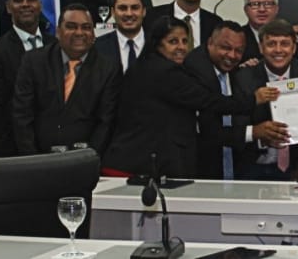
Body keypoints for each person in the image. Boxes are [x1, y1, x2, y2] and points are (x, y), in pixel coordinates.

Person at [103, 17, 255, 179]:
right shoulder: (165, 71)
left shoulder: (144, 66)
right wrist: (254, 100)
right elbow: (209, 101)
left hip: (130, 161)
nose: (181, 47)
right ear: (157, 43)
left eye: (184, 41)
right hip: (138, 166)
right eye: (173, 42)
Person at [12, 3, 120, 155]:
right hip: (38, 157)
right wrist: (33, 159)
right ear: (58, 32)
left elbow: (106, 122)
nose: (79, 33)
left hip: (86, 159)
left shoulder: (108, 68)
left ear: (93, 34)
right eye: (71, 27)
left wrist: (89, 158)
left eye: (86, 27)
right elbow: (22, 115)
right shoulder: (34, 62)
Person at [230, 19, 298, 181]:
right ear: (261, 48)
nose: (278, 50)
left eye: (285, 44)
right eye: (271, 44)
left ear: (294, 48)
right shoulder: (244, 78)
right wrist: (261, 138)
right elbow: (238, 126)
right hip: (257, 167)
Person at [0, 0, 55, 157]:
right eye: (18, 0)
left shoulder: (56, 46)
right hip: (13, 150)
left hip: (54, 147)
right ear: (8, 7)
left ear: (40, 5)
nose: (25, 4)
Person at [183, 21, 262, 179]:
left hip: (236, 168)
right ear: (210, 43)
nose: (232, 55)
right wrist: (253, 132)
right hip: (201, 171)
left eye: (239, 50)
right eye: (226, 48)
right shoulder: (196, 71)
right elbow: (208, 130)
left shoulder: (237, 72)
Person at [93, 0, 146, 74]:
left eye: (135, 8)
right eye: (122, 8)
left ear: (144, 11)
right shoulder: (97, 48)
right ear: (113, 12)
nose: (129, 14)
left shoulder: (159, 45)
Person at [240, 0, 279, 64]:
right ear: (246, 10)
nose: (262, 9)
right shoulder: (237, 37)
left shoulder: (287, 36)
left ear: (276, 9)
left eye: (267, 4)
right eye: (255, 4)